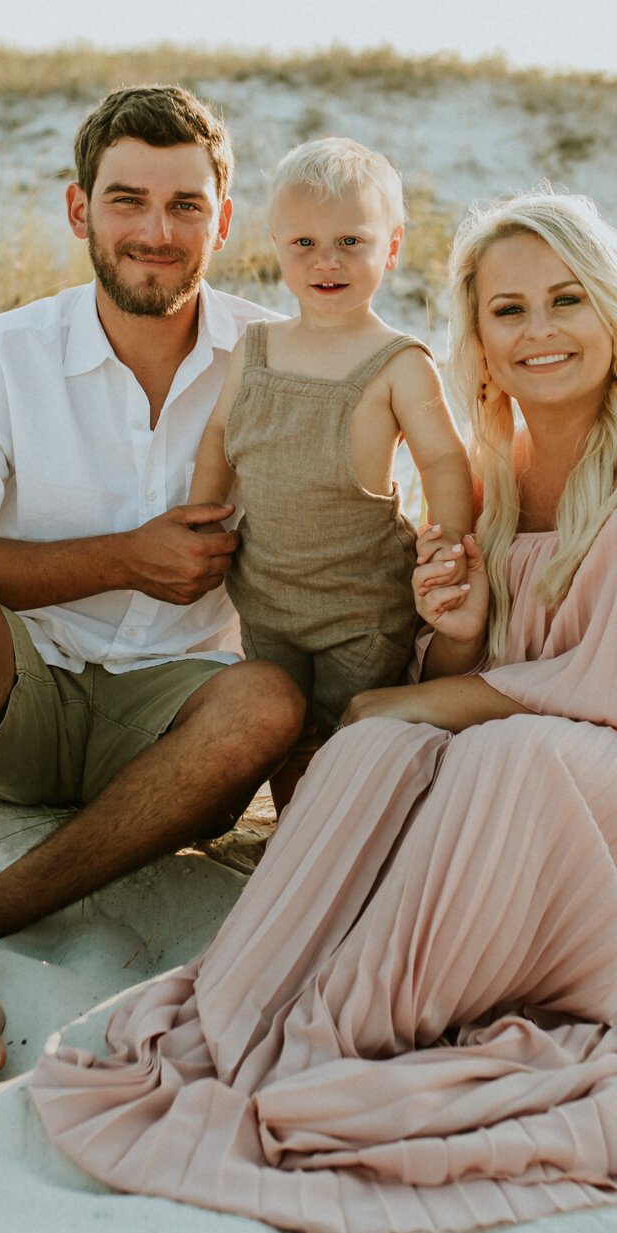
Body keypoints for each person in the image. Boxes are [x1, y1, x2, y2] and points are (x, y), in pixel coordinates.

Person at [29, 190, 617, 1233]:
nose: (541, 331)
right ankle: (273, 1017)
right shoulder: (492, 468)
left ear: (611, 309)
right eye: (509, 311)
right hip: (562, 750)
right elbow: (482, 661)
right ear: (478, 333)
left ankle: (375, 1027)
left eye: (566, 300)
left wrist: (431, 691)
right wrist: (453, 631)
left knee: (500, 758)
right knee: (370, 746)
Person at [0, 85, 306, 1101]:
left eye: (182, 206)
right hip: (18, 712)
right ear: (79, 210)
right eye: (127, 201)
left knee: (267, 697)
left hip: (171, 733)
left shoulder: (277, 360)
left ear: (221, 217)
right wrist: (123, 557)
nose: (154, 232)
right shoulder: (5, 352)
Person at [186, 138, 475, 770]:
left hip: (362, 605)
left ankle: (338, 841)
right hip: (267, 594)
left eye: (351, 241)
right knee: (281, 732)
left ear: (391, 248)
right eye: (304, 243)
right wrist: (200, 512)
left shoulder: (397, 360)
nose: (327, 260)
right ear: (277, 249)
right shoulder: (256, 348)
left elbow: (445, 459)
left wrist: (449, 539)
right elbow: (217, 438)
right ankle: (291, 844)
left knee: (346, 738)